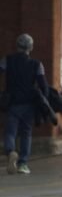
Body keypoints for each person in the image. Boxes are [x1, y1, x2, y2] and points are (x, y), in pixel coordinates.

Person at [1, 34, 50, 175]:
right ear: (31, 48)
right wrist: (44, 101)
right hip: (29, 103)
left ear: (17, 46)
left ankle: (11, 152)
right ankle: (23, 163)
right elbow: (43, 86)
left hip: (12, 102)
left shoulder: (7, 60)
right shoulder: (37, 64)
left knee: (10, 131)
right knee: (26, 133)